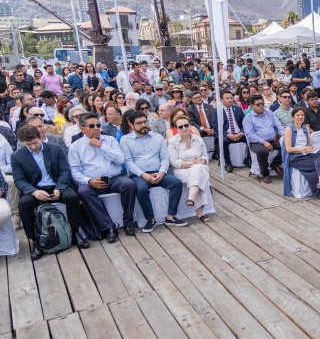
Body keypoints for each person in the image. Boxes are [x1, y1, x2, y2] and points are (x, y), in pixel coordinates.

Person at [11, 125, 88, 259]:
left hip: (56, 184)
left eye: (35, 143)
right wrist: (34, 191)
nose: (33, 147)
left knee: (72, 197)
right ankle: (35, 240)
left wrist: (59, 187)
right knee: (24, 204)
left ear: (40, 137)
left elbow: (65, 170)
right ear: (23, 143)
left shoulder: (55, 149)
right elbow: (19, 180)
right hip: (35, 188)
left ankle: (75, 232)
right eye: (29, 145)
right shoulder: (17, 156)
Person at [68, 112, 136, 242]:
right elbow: (75, 171)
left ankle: (128, 222)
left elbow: (121, 159)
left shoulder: (109, 140)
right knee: (83, 191)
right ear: (82, 128)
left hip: (115, 178)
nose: (96, 128)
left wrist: (101, 146)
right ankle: (108, 227)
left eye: (98, 125)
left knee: (129, 184)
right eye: (91, 126)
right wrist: (89, 180)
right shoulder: (75, 147)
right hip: (92, 182)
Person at [120, 111, 188, 232]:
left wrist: (162, 172)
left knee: (176, 183)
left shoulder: (157, 137)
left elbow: (165, 158)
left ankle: (170, 217)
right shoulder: (125, 140)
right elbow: (128, 162)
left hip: (159, 172)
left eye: (145, 122)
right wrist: (144, 175)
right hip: (139, 175)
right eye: (139, 123)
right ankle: (150, 219)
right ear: (131, 125)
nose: (143, 125)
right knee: (141, 189)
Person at [282, 106, 320, 198]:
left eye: (302, 115)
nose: (300, 117)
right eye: (298, 115)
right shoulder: (289, 129)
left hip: (307, 155)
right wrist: (303, 149)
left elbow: (310, 145)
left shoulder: (305, 129)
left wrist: (310, 149)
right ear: (293, 117)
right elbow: (288, 149)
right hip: (296, 157)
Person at [168, 115, 211, 222]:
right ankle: (200, 212)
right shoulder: (173, 142)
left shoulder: (198, 139)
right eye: (180, 127)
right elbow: (174, 162)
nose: (184, 128)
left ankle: (191, 198)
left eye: (186, 125)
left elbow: (206, 157)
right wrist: (192, 163)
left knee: (199, 170)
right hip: (181, 170)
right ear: (176, 129)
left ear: (190, 126)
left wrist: (202, 160)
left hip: (198, 167)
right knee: (199, 173)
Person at [243, 94, 285, 183]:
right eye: (258, 105)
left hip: (273, 140)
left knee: (286, 144)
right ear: (252, 106)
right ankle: (265, 174)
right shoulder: (248, 118)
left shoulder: (269, 113)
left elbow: (278, 125)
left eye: (262, 104)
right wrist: (264, 142)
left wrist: (284, 134)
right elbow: (250, 134)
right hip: (256, 142)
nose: (261, 106)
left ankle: (275, 163)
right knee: (262, 151)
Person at [211, 89, 246, 173]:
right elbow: (215, 126)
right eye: (227, 98)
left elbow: (245, 123)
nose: (230, 100)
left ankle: (248, 159)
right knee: (223, 141)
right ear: (221, 100)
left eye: (231, 98)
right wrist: (228, 134)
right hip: (226, 134)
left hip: (239, 133)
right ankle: (227, 162)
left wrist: (241, 133)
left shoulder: (238, 109)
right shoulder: (216, 111)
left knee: (251, 138)